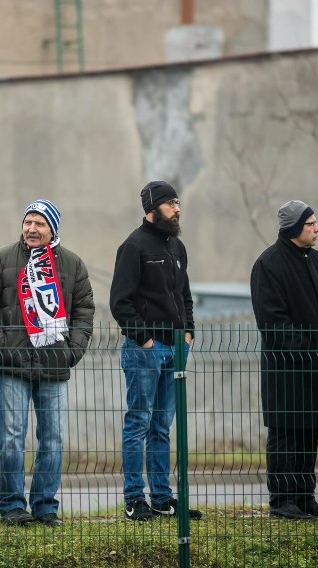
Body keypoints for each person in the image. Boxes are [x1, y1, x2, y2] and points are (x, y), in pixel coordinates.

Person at [0, 199, 94, 527]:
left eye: (39, 223)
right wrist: (3, 347)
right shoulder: (1, 260)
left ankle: (45, 507)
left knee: (53, 439)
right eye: (28, 222)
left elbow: (85, 310)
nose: (31, 228)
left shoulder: (72, 265)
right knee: (13, 437)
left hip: (54, 365)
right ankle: (13, 507)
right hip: (12, 365)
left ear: (52, 229)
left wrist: (71, 352)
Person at [110, 181, 201, 522]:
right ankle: (135, 499)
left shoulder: (177, 247)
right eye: (171, 203)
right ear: (153, 208)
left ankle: (162, 498)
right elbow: (120, 301)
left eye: (178, 202)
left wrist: (188, 332)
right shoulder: (133, 247)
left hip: (178, 347)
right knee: (139, 422)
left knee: (162, 425)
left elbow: (185, 295)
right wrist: (144, 339)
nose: (178, 208)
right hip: (144, 350)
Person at [250, 200, 318, 520]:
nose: (317, 228)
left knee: (310, 433)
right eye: (310, 224)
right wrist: (311, 350)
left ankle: (305, 498)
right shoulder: (268, 264)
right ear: (293, 228)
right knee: (286, 433)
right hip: (287, 370)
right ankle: (282, 500)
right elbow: (274, 323)